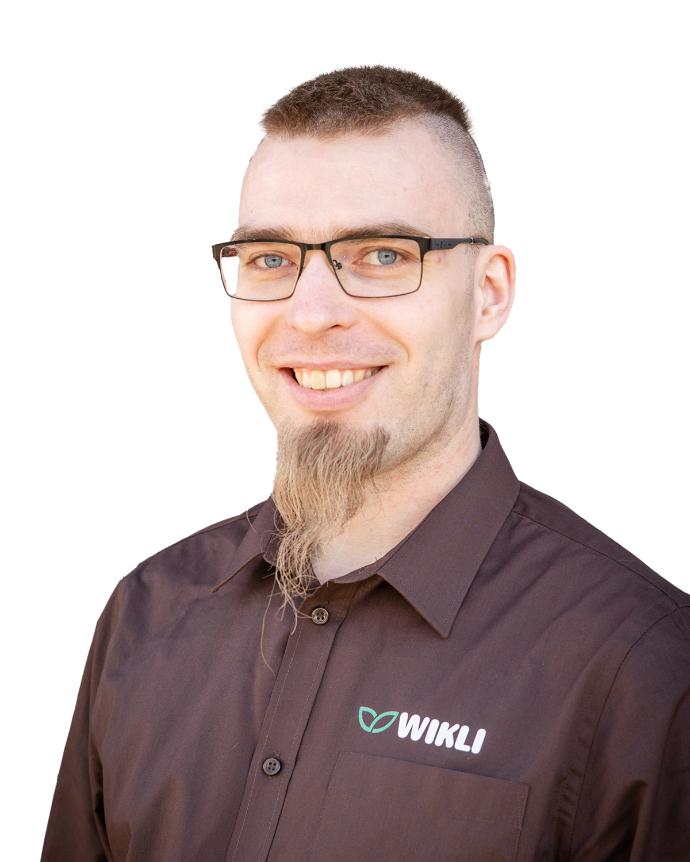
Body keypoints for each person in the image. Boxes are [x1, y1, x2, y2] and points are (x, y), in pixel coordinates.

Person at [41, 65, 690, 861]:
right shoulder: (147, 617)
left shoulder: (646, 669)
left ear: (488, 293)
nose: (311, 314)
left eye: (382, 254)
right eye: (271, 258)